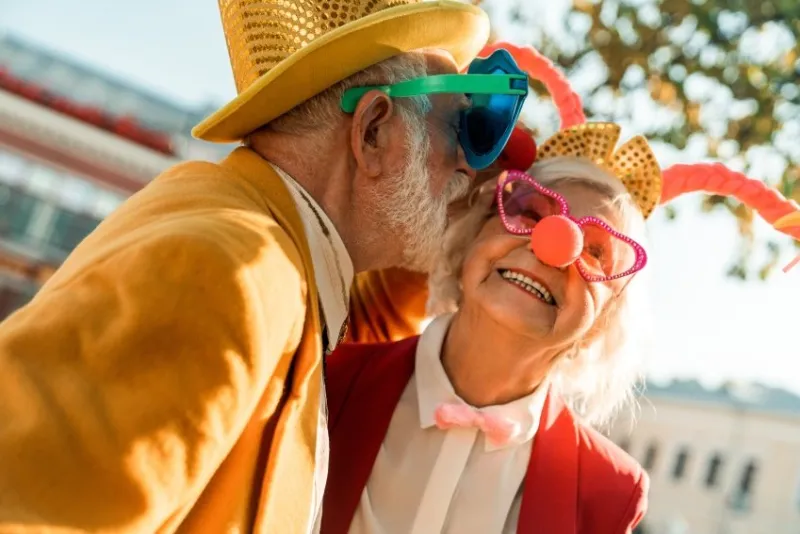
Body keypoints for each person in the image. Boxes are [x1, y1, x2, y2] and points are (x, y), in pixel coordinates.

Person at [0, 1, 541, 532]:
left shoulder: (272, 262)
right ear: (373, 131)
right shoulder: (227, 272)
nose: (469, 165)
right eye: (457, 128)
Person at [320, 43, 800, 534]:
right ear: (471, 236)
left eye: (596, 252)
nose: (552, 247)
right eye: (528, 211)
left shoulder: (611, 492)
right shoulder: (327, 380)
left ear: (604, 322)